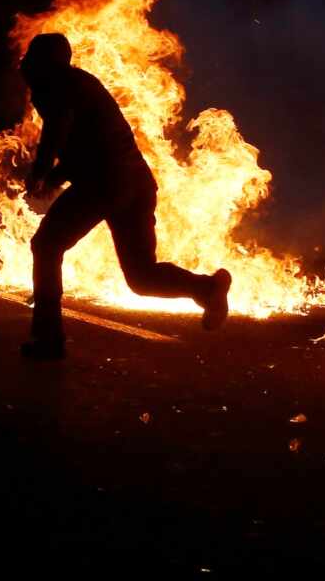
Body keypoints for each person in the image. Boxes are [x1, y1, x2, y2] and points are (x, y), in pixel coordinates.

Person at [18, 32, 232, 360]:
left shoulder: (57, 85)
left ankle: (48, 339)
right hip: (136, 183)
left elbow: (59, 129)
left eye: (31, 57)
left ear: (46, 62)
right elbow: (88, 144)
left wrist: (41, 171)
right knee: (141, 277)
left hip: (105, 183)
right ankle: (207, 289)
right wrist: (54, 177)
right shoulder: (80, 83)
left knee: (46, 245)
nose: (25, 64)